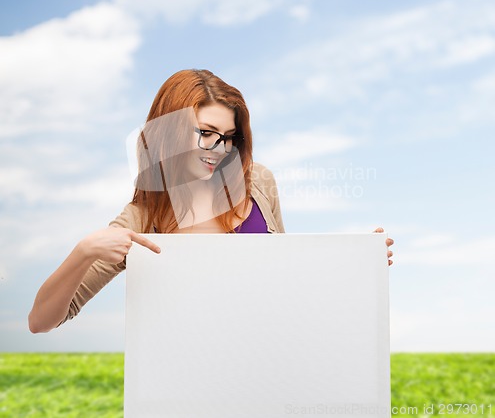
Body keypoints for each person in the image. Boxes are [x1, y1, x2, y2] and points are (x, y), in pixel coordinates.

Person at [28, 69, 394, 334]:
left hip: (270, 368)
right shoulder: (143, 218)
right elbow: (41, 321)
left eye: (230, 137)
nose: (220, 150)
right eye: (206, 133)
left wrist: (355, 261)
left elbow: (285, 280)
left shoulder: (258, 182)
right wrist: (85, 250)